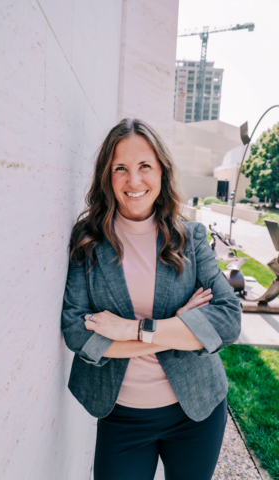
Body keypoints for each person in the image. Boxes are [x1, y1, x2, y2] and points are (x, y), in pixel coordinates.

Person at [61, 118, 241, 480]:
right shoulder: (88, 241)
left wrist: (131, 330)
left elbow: (227, 321)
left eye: (145, 166)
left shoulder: (191, 238)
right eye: (120, 169)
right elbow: (76, 333)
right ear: (106, 177)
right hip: (122, 415)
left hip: (197, 410)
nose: (134, 181)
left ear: (162, 171)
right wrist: (180, 329)